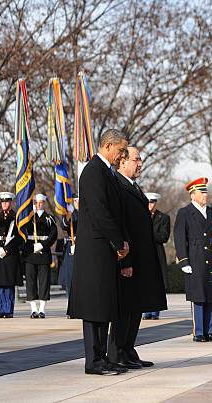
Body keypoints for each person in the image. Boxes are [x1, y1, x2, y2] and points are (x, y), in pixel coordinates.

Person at [67, 129, 130, 376]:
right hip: (95, 251)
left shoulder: (107, 173)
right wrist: (118, 242)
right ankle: (93, 361)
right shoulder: (93, 172)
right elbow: (101, 212)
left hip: (104, 251)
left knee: (104, 305)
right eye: (121, 150)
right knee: (94, 307)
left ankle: (102, 357)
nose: (122, 155)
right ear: (108, 146)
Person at [108, 147, 167, 368]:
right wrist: (125, 260)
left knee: (136, 308)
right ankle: (117, 353)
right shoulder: (117, 186)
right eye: (136, 159)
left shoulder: (133, 185)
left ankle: (128, 349)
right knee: (124, 309)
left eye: (141, 159)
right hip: (128, 258)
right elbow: (121, 226)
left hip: (142, 257)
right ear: (122, 162)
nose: (140, 163)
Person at [173, 177, 212, 342]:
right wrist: (184, 261)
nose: (205, 195)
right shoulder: (185, 213)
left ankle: (210, 330)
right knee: (198, 296)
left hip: (211, 257)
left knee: (211, 295)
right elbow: (180, 238)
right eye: (202, 192)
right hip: (195, 258)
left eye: (206, 192)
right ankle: (199, 332)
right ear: (192, 195)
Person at [0, 192, 24, 318]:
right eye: (2, 202)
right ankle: (1, 309)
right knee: (0, 284)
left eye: (7, 201)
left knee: (8, 284)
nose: (4, 204)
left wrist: (7, 250)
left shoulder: (16, 218)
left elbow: (20, 238)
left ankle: (8, 310)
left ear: (11, 202)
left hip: (10, 255)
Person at [21, 193, 58, 319]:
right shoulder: (29, 218)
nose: (39, 204)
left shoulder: (49, 218)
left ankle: (42, 309)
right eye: (37, 202)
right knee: (30, 282)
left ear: (44, 203)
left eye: (41, 202)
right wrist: (31, 247)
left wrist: (42, 245)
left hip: (43, 253)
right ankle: (33, 309)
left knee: (43, 282)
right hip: (30, 254)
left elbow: (53, 235)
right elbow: (23, 235)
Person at [143, 192, 171, 320]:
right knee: (145, 282)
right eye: (149, 202)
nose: (150, 205)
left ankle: (155, 311)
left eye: (153, 202)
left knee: (158, 282)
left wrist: (149, 234)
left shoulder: (163, 218)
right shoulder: (141, 216)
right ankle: (146, 310)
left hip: (158, 252)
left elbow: (164, 236)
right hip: (144, 252)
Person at [59, 194, 79, 307]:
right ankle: (72, 306)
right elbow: (64, 225)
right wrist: (69, 215)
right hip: (72, 247)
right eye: (75, 201)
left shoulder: (86, 212)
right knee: (70, 278)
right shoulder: (71, 214)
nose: (77, 203)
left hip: (83, 247)